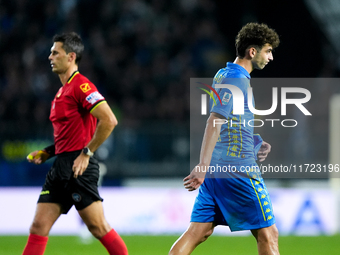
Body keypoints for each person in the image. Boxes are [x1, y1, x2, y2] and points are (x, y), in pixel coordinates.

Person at [169, 23, 280, 255]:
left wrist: (255, 142)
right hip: (237, 170)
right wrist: (202, 165)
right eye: (267, 51)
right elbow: (215, 121)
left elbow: (233, 123)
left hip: (217, 170)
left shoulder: (224, 74)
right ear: (252, 51)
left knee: (197, 232)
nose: (270, 57)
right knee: (268, 234)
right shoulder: (236, 80)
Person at [22, 32, 128, 255]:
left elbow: (109, 120)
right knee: (38, 226)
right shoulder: (62, 91)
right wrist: (47, 152)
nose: (50, 57)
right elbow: (69, 136)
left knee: (98, 227)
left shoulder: (81, 86)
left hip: (79, 168)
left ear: (71, 57)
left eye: (55, 52)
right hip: (60, 166)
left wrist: (87, 153)